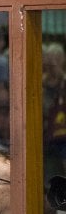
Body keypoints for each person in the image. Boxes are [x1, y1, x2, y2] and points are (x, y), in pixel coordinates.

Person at [43, 42, 66, 179]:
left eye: (57, 59)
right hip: (47, 137)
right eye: (51, 59)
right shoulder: (40, 84)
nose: (53, 63)